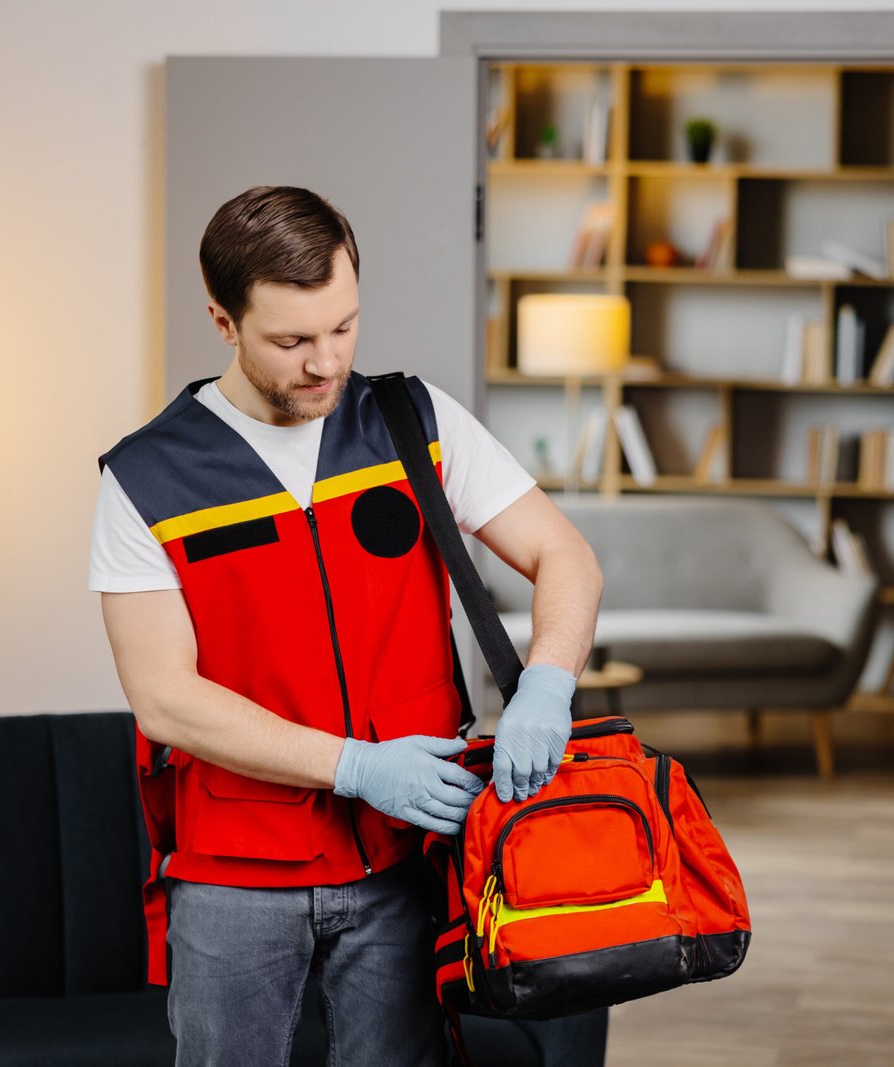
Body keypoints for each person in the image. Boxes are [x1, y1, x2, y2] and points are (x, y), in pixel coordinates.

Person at [90, 185, 602, 1066]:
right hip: (234, 878)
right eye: (292, 340)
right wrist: (354, 767)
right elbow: (165, 700)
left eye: (344, 327)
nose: (326, 363)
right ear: (223, 321)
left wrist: (549, 681)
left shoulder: (416, 424)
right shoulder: (145, 479)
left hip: (409, 865)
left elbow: (568, 559)